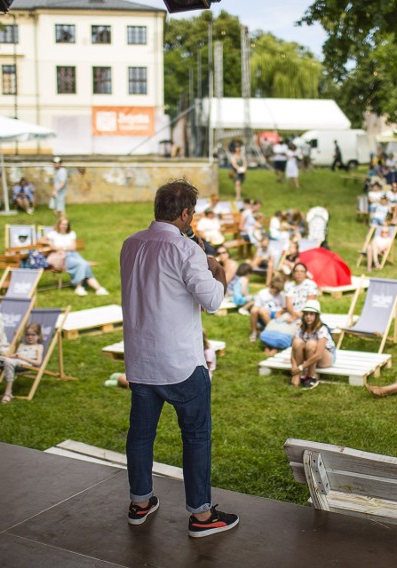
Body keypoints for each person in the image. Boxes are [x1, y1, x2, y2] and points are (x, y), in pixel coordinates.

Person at [119, 179, 238, 537]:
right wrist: (214, 267)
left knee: (140, 435)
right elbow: (214, 301)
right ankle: (202, 517)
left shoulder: (130, 244)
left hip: (140, 359)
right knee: (196, 436)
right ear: (185, 214)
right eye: (192, 214)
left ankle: (140, 502)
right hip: (181, 363)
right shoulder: (187, 251)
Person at [42, 218, 109, 296]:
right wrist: (50, 243)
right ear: (59, 225)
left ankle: (95, 288)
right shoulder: (53, 234)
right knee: (83, 264)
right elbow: (40, 240)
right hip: (63, 257)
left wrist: (60, 247)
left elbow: (73, 247)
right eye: (62, 224)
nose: (64, 226)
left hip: (73, 254)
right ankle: (83, 287)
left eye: (66, 225)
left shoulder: (71, 233)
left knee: (84, 264)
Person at [0, 322, 44, 404]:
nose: (30, 337)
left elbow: (38, 363)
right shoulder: (22, 344)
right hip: (13, 361)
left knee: (8, 361)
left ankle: (8, 393)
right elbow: (15, 353)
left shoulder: (39, 347)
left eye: (33, 335)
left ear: (39, 336)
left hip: (24, 364)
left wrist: (22, 357)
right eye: (27, 334)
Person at [290, 300, 335, 390]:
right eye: (306, 314)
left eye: (311, 314)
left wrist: (301, 367)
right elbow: (293, 349)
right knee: (297, 342)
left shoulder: (322, 329)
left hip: (325, 357)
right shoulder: (301, 328)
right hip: (309, 358)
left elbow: (318, 355)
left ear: (316, 316)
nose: (308, 317)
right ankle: (298, 375)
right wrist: (294, 366)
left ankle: (311, 377)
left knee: (311, 343)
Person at [249, 275, 287, 342]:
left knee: (262, 311)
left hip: (275, 314)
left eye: (278, 291)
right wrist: (261, 309)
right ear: (271, 286)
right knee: (255, 310)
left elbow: (285, 308)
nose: (276, 292)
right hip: (263, 313)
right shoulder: (263, 293)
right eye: (275, 289)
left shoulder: (282, 295)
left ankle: (272, 332)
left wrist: (279, 312)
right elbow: (256, 306)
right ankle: (253, 332)